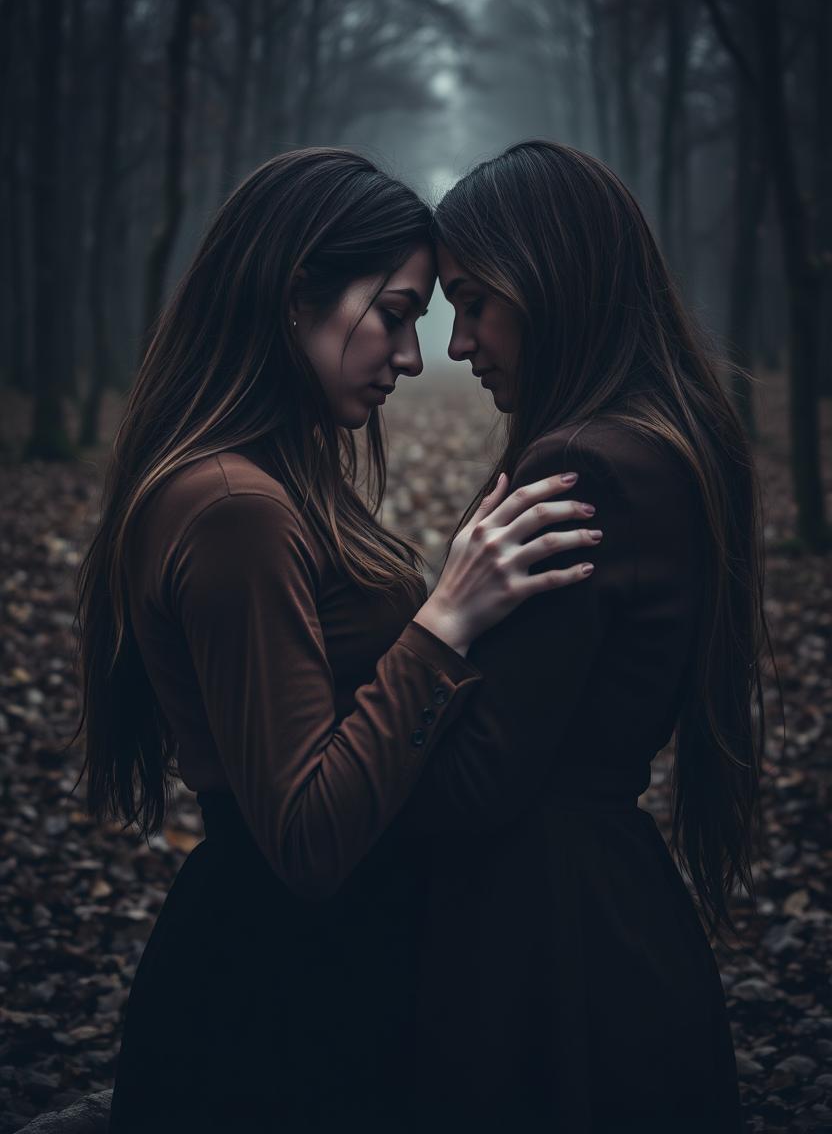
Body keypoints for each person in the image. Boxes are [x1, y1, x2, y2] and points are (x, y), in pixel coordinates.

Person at [73, 148, 602, 1133]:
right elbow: (308, 837)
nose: (410, 357)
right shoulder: (238, 508)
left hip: (300, 976)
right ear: (293, 297)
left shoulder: (259, 483)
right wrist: (446, 620)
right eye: (394, 313)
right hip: (273, 1005)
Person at [392, 139, 769, 1134]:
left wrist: (396, 663)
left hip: (541, 949)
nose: (460, 342)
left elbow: (476, 781)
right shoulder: (667, 437)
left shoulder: (580, 467)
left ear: (548, 276)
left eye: (474, 301)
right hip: (603, 910)